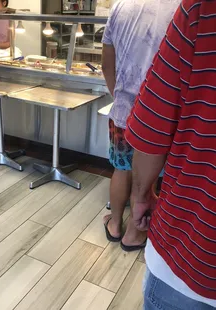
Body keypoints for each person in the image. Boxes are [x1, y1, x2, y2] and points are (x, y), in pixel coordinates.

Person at [125, 0, 216, 308]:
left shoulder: (201, 9)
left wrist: (141, 197)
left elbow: (151, 132)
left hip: (190, 254)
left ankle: (121, 231)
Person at [101, 0, 180, 251]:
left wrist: (120, 98)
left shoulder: (120, 6)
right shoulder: (181, 7)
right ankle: (134, 235)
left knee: (120, 169)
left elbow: (106, 64)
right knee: (147, 179)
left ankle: (114, 225)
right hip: (159, 116)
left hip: (123, 111)